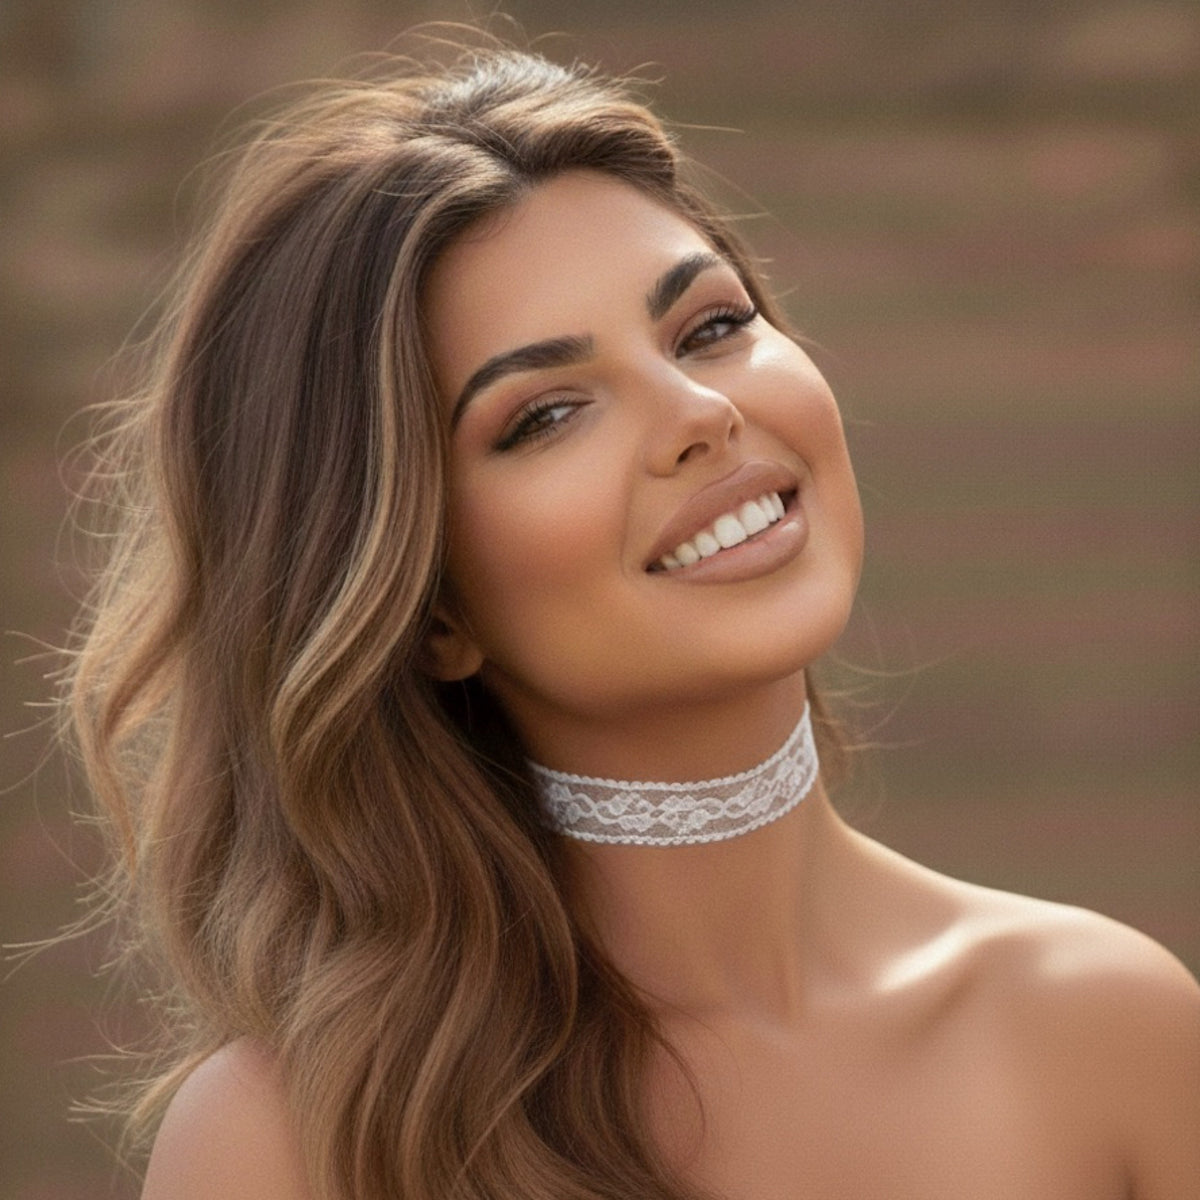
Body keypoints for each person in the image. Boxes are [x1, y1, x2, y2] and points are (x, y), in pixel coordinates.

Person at [64, 43, 1199, 1200]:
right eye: (546, 414)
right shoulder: (292, 1141)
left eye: (710, 328)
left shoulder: (1114, 1032)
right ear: (429, 606)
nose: (700, 413)